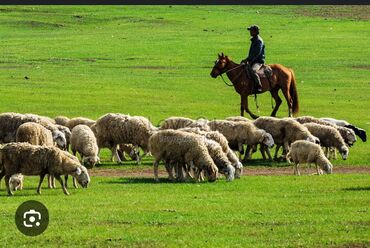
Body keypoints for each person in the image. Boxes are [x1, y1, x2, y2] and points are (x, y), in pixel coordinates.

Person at [241, 25, 265, 92]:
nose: (250, 32)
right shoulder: (254, 40)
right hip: (252, 60)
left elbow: (257, 53)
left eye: (251, 30)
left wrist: (248, 60)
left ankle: (259, 86)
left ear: (255, 31)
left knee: (253, 71)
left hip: (258, 61)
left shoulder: (259, 41)